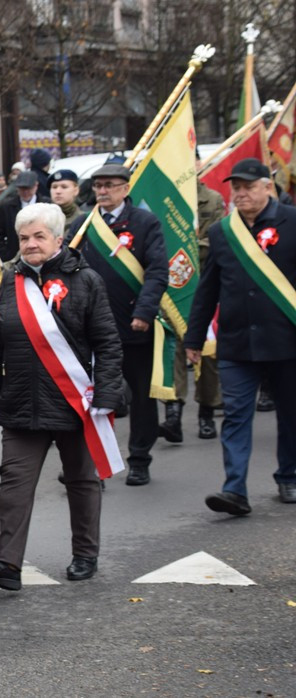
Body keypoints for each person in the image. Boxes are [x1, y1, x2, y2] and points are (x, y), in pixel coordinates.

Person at [0, 203, 122, 590]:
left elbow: (107, 342)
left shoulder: (86, 280)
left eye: (39, 236)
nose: (30, 244)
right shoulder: (12, 280)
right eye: (24, 238)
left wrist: (106, 393)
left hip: (74, 402)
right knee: (14, 484)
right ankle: (7, 565)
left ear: (59, 238)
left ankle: (85, 554)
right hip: (22, 400)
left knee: (81, 480)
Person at [183, 158, 296, 515]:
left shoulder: (292, 223)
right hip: (236, 342)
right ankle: (235, 490)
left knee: (291, 415)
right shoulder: (222, 232)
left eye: (249, 186)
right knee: (235, 416)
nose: (241, 193)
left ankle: (289, 476)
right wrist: (194, 338)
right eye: (237, 187)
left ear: (268, 186)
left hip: (286, 341)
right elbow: (208, 289)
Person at [69, 163, 168, 487]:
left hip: (133, 325)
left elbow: (156, 271)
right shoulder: (84, 224)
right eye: (98, 185)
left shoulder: (145, 222)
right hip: (93, 327)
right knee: (94, 396)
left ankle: (139, 458)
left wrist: (144, 311)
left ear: (125, 188)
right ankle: (93, 462)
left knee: (141, 396)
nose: (102, 191)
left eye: (110, 185)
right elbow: (66, 265)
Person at [160, 177, 226, 442]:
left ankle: (206, 414)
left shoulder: (211, 198)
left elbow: (216, 239)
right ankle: (173, 415)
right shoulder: (162, 199)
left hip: (204, 281)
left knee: (207, 353)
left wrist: (183, 251)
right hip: (170, 287)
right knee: (172, 350)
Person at [0, 170, 51, 263]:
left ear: (36, 186)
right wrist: (6, 256)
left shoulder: (47, 205)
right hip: (14, 259)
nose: (25, 192)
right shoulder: (6, 207)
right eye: (22, 188)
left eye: (28, 188)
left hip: (42, 258)